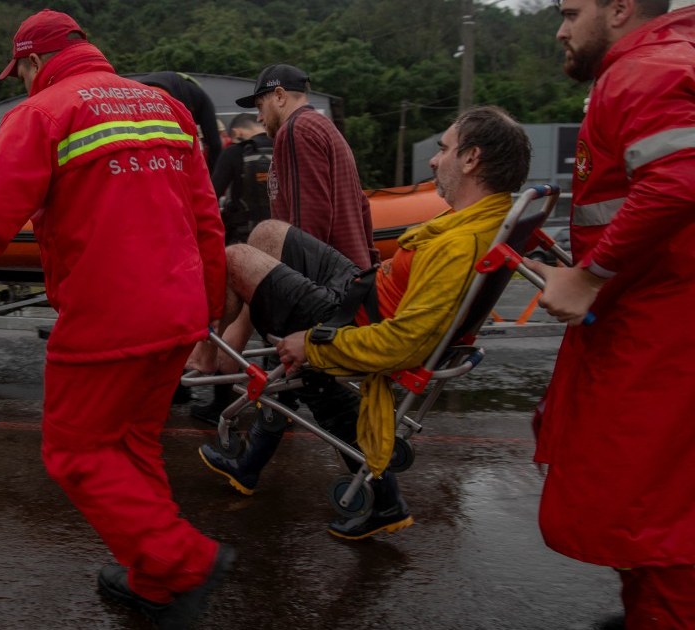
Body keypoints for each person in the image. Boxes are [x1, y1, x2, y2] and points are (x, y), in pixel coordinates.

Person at [0, 9, 234, 628]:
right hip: (178, 312)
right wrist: (208, 307)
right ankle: (151, 577)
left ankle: (183, 561)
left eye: (20, 70)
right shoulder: (166, 108)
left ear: (30, 62)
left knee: (76, 452)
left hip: (109, 318)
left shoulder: (43, 113)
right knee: (130, 445)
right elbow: (204, 217)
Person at [192, 106, 532, 540]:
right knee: (266, 232)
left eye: (443, 149)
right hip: (362, 291)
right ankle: (240, 432)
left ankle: (211, 358)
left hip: (355, 319)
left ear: (471, 159)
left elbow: (404, 341)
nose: (433, 159)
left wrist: (313, 345)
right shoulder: (485, 217)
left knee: (235, 258)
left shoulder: (461, 244)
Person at [524, 2, 695, 626]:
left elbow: (682, 176)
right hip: (655, 327)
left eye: (572, 12)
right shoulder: (667, 64)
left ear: (620, 9)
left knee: (664, 538)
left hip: (662, 341)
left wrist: (592, 276)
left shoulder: (640, 70)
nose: (562, 30)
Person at [188, 64, 378, 435]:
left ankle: (207, 354)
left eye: (261, 104)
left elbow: (308, 225)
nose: (258, 116)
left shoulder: (297, 130)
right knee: (253, 262)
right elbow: (363, 207)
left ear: (279, 96)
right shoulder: (326, 130)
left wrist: (291, 295)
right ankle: (215, 360)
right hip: (350, 280)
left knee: (241, 256)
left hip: (328, 290)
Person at [138, 71, 223, 173]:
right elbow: (215, 144)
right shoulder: (202, 98)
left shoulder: (185, 90)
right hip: (164, 97)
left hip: (136, 95)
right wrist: (212, 177)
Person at [211, 113, 273, 246]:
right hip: (283, 232)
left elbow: (211, 195)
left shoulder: (233, 152)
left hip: (245, 235)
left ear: (236, 132)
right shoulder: (282, 145)